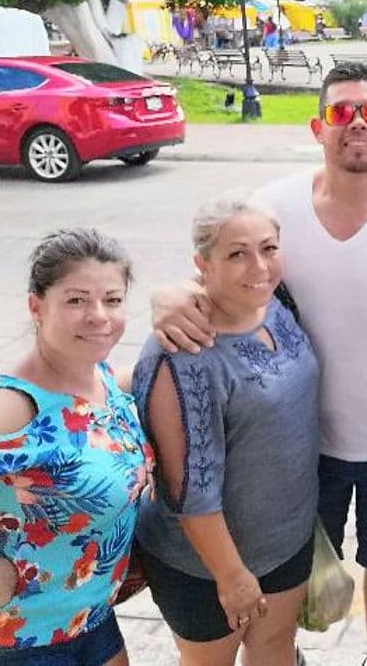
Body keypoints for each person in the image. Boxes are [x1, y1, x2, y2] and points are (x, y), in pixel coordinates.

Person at [151, 62, 367, 666]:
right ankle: (282, 655)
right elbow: (215, 273)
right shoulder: (272, 206)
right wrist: (163, 299)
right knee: (290, 573)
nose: (357, 124)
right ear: (318, 125)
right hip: (296, 449)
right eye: (342, 112)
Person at [132, 196, 319, 665]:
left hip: (286, 540)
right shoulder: (183, 351)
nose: (259, 265)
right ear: (202, 264)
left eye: (269, 248)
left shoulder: (275, 301)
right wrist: (231, 575)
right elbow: (187, 488)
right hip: (204, 565)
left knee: (275, 648)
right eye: (237, 254)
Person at [0, 229, 152, 664]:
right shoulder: (8, 407)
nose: (99, 315)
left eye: (113, 300)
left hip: (90, 622)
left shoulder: (100, 379)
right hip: (12, 641)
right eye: (77, 300)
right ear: (36, 307)